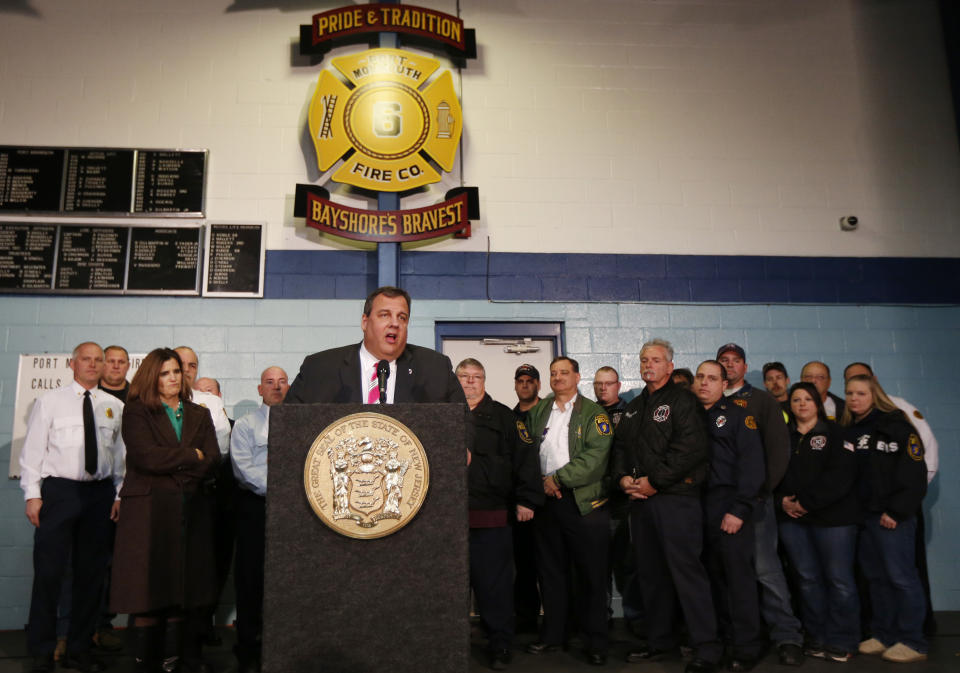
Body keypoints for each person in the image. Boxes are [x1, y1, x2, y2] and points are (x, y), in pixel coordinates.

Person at [110, 348, 221, 673]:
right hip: (148, 515)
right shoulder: (137, 412)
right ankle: (145, 664)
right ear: (152, 377)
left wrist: (187, 460)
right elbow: (146, 457)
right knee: (148, 594)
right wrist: (191, 456)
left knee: (181, 594)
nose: (173, 378)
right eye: (165, 373)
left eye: (176, 372)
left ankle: (174, 663)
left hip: (190, 512)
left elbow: (212, 458)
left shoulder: (199, 413)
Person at [612, 339, 720, 673]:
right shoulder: (633, 407)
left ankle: (707, 649)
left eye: (656, 360)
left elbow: (690, 448)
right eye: (644, 359)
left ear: (669, 366)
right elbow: (619, 450)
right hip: (641, 504)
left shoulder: (683, 400)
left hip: (676, 500)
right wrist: (623, 480)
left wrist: (654, 482)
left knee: (687, 575)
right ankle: (659, 642)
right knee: (651, 576)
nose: (649, 365)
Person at [20, 342, 125, 673]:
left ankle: (79, 648)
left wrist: (120, 494)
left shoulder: (113, 406)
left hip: (99, 496)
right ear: (72, 363)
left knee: (91, 575)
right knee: (49, 573)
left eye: (99, 360)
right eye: (86, 359)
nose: (93, 365)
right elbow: (33, 450)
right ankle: (41, 649)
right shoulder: (50, 401)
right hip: (60, 493)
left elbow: (121, 456)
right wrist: (32, 494)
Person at [716, 343, 803, 665]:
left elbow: (778, 452)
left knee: (766, 570)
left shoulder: (762, 401)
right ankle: (739, 636)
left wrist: (761, 492)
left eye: (734, 361)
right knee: (730, 573)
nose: (728, 365)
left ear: (744, 365)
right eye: (723, 361)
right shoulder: (711, 401)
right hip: (720, 506)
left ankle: (787, 635)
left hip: (756, 502)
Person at [525, 356, 613, 666]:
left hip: (583, 504)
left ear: (577, 377)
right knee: (551, 573)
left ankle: (596, 642)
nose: (558, 377)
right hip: (547, 504)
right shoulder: (539, 411)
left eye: (564, 372)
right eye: (553, 373)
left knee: (591, 577)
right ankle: (553, 636)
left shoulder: (593, 413)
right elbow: (526, 452)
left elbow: (596, 457)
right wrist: (538, 483)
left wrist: (557, 479)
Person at [457, 358, 542, 670]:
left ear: (484, 380)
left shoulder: (505, 418)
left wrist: (527, 500)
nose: (469, 382)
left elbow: (526, 460)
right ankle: (450, 646)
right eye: (463, 376)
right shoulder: (440, 416)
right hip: (446, 522)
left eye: (476, 376)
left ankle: (500, 644)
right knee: (451, 589)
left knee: (494, 587)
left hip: (491, 518)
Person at [842, 362, 938, 635]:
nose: (854, 399)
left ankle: (913, 640)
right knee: (876, 579)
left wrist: (896, 511)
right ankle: (884, 635)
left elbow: (914, 473)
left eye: (861, 393)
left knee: (901, 578)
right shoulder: (850, 431)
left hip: (892, 518)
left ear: (875, 395)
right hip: (864, 518)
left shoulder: (896, 427)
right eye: (849, 393)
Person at [776, 382, 861, 663]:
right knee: (807, 580)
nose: (802, 404)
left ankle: (843, 639)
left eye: (807, 399)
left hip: (833, 521)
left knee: (839, 581)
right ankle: (817, 636)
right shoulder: (783, 437)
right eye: (796, 399)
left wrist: (806, 502)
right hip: (793, 521)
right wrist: (783, 502)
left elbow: (841, 478)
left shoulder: (837, 434)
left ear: (818, 402)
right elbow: (771, 474)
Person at [694, 360, 765, 672]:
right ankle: (722, 642)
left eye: (712, 378)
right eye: (700, 377)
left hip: (730, 503)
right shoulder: (692, 416)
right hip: (699, 506)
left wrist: (739, 509)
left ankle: (747, 646)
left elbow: (753, 467)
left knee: (738, 579)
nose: (704, 383)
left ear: (725, 384)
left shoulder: (739, 415)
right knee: (712, 580)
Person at [285, 286, 464, 405]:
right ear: (365, 322)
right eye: (385, 315)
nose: (395, 323)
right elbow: (288, 424)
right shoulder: (319, 368)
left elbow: (463, 422)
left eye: (402, 317)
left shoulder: (435, 368)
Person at [231, 367, 290, 673]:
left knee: (287, 580)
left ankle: (282, 645)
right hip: (256, 508)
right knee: (251, 579)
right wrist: (281, 488)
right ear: (259, 389)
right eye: (270, 382)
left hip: (292, 513)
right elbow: (243, 469)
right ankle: (247, 648)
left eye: (282, 382)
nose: (276, 387)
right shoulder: (244, 425)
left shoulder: (299, 426)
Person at [175, 347, 233, 648]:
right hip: (163, 498)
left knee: (200, 570)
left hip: (200, 494)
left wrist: (184, 464)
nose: (186, 370)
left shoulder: (209, 402)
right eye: (180, 364)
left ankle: (193, 645)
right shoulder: (149, 402)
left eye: (192, 365)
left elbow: (220, 448)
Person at [510, 363, 542, 635]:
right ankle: (527, 620)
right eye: (520, 380)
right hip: (521, 505)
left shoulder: (550, 412)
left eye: (530, 380)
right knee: (524, 566)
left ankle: (560, 622)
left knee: (552, 565)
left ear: (538, 385)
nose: (525, 385)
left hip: (552, 499)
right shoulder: (510, 418)